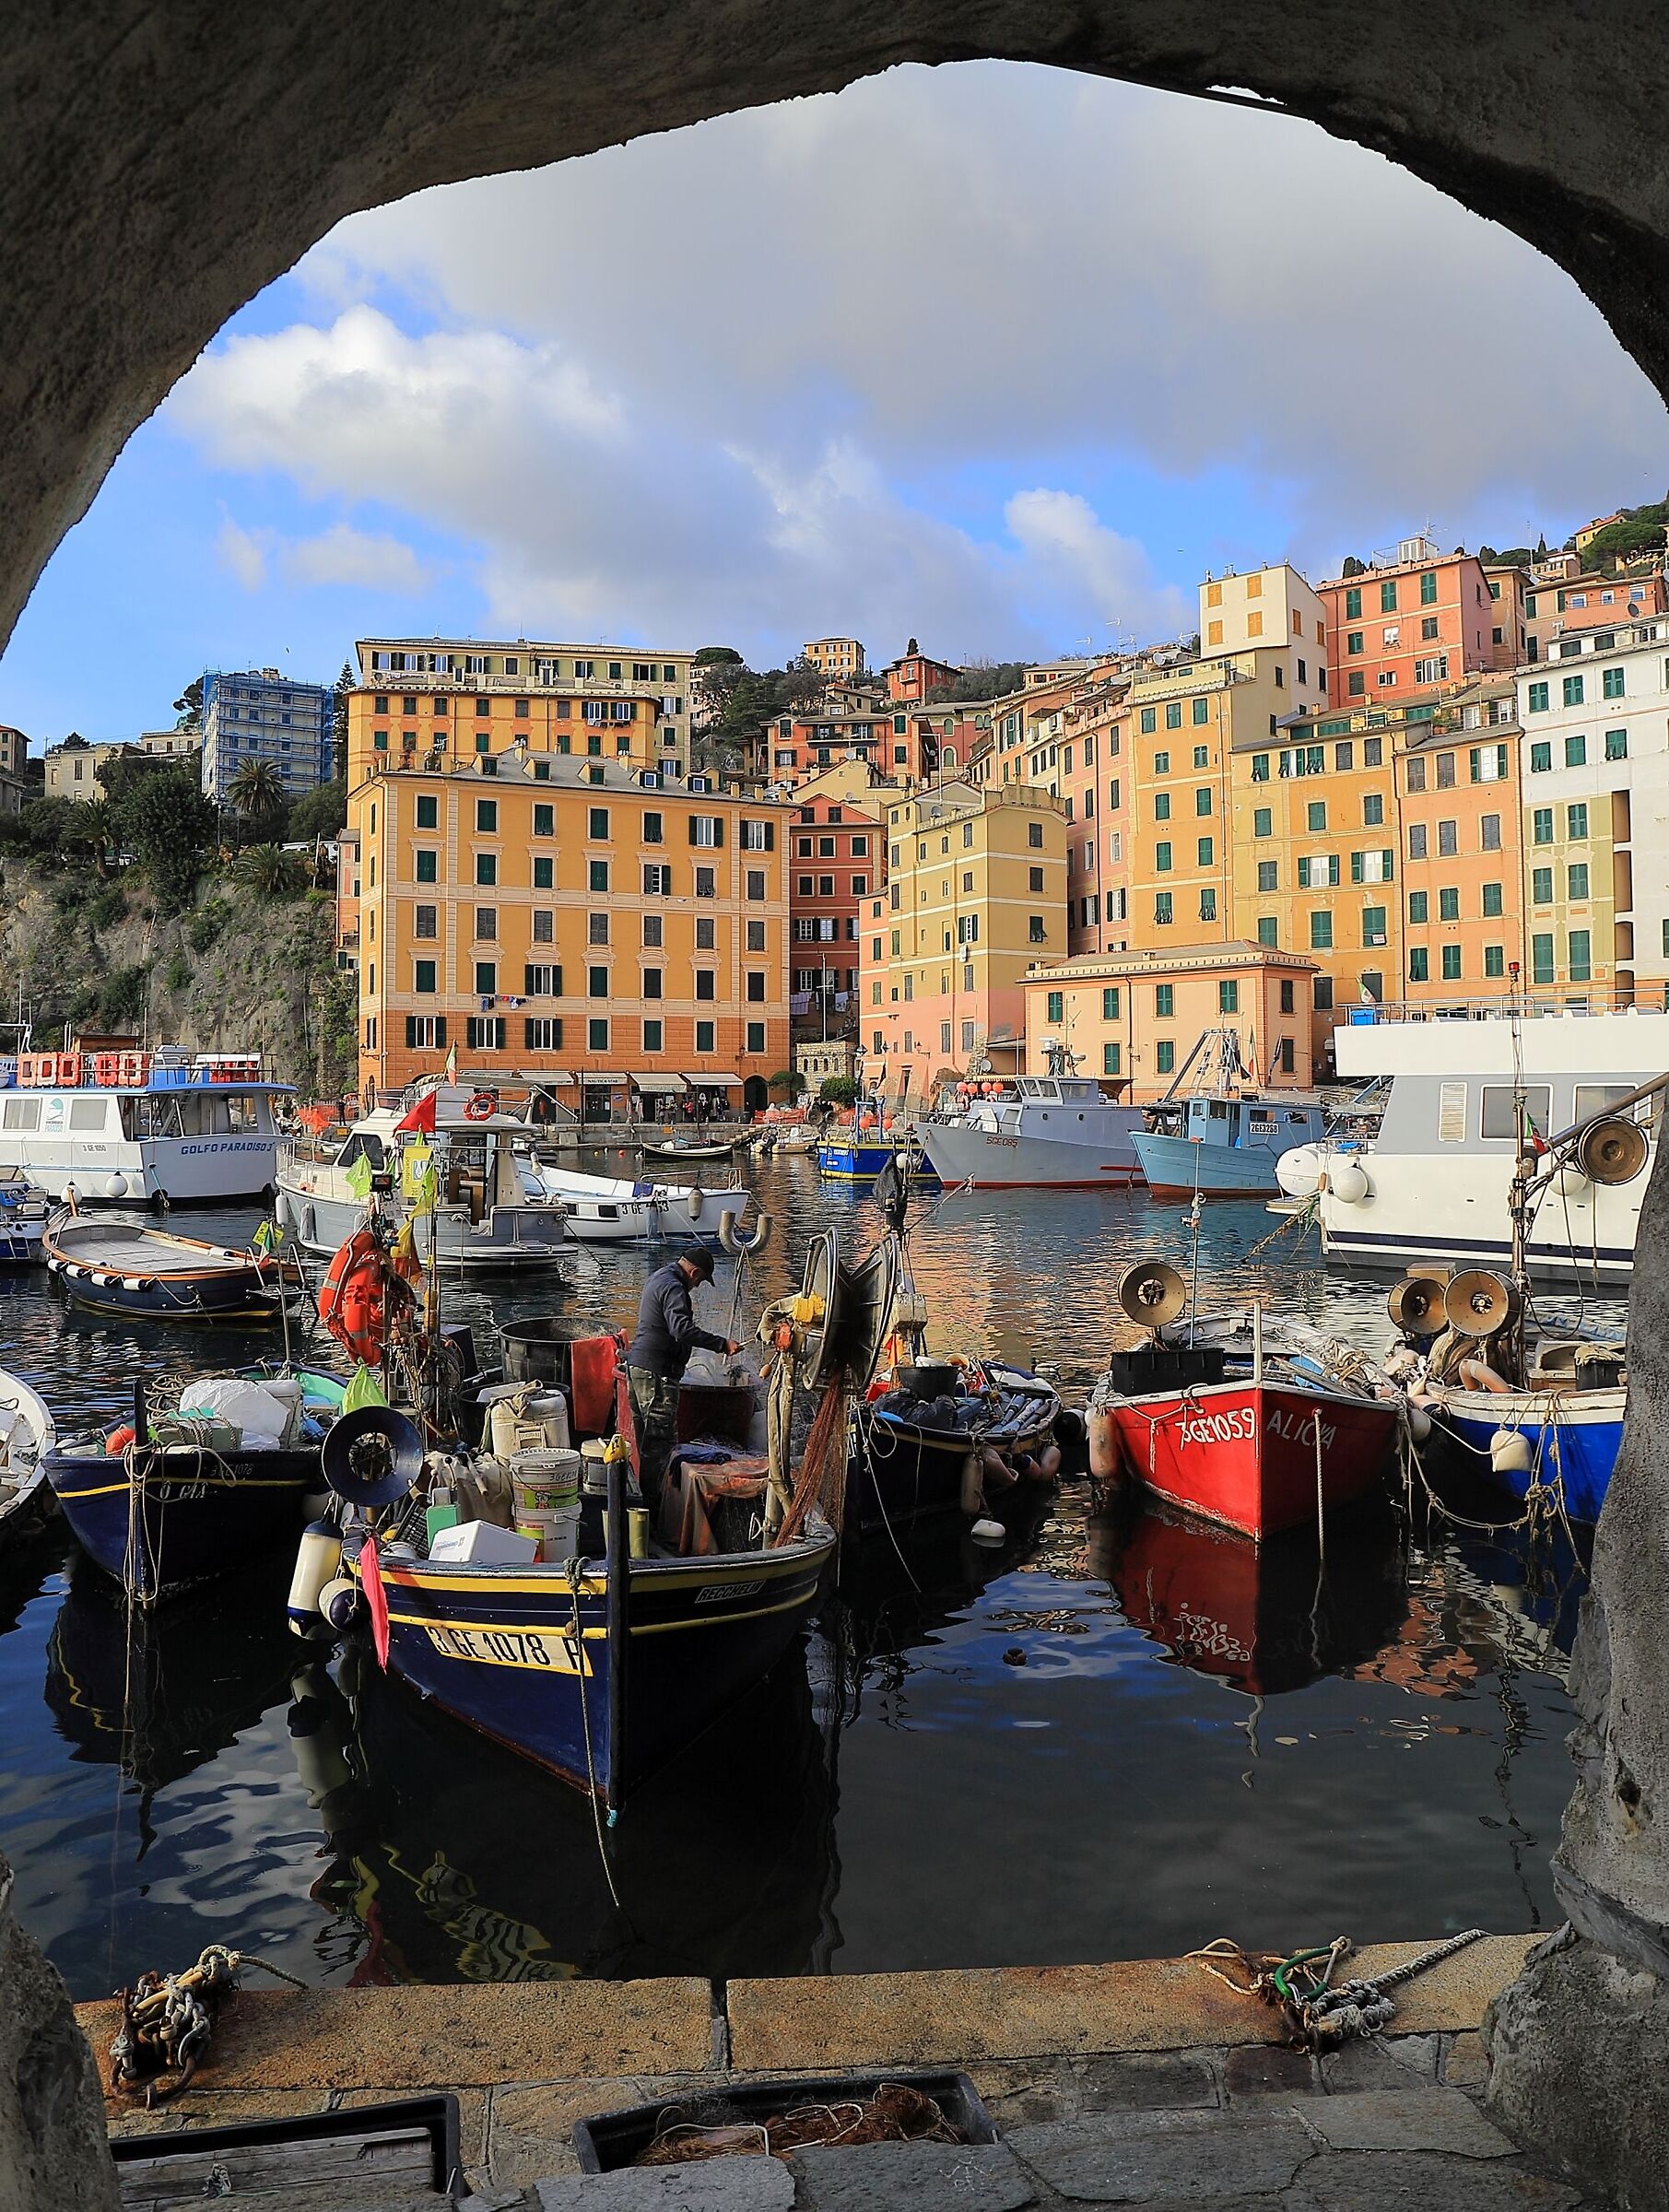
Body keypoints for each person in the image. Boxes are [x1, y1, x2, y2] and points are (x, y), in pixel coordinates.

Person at [624, 1247, 741, 1499]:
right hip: (657, 1373)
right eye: (699, 1280)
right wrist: (722, 1344)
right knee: (659, 1444)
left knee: (646, 1442)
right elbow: (681, 1329)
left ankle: (643, 1504)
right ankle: (655, 1513)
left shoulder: (659, 1277)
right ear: (694, 1271)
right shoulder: (675, 1287)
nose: (697, 1286)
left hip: (639, 1367)